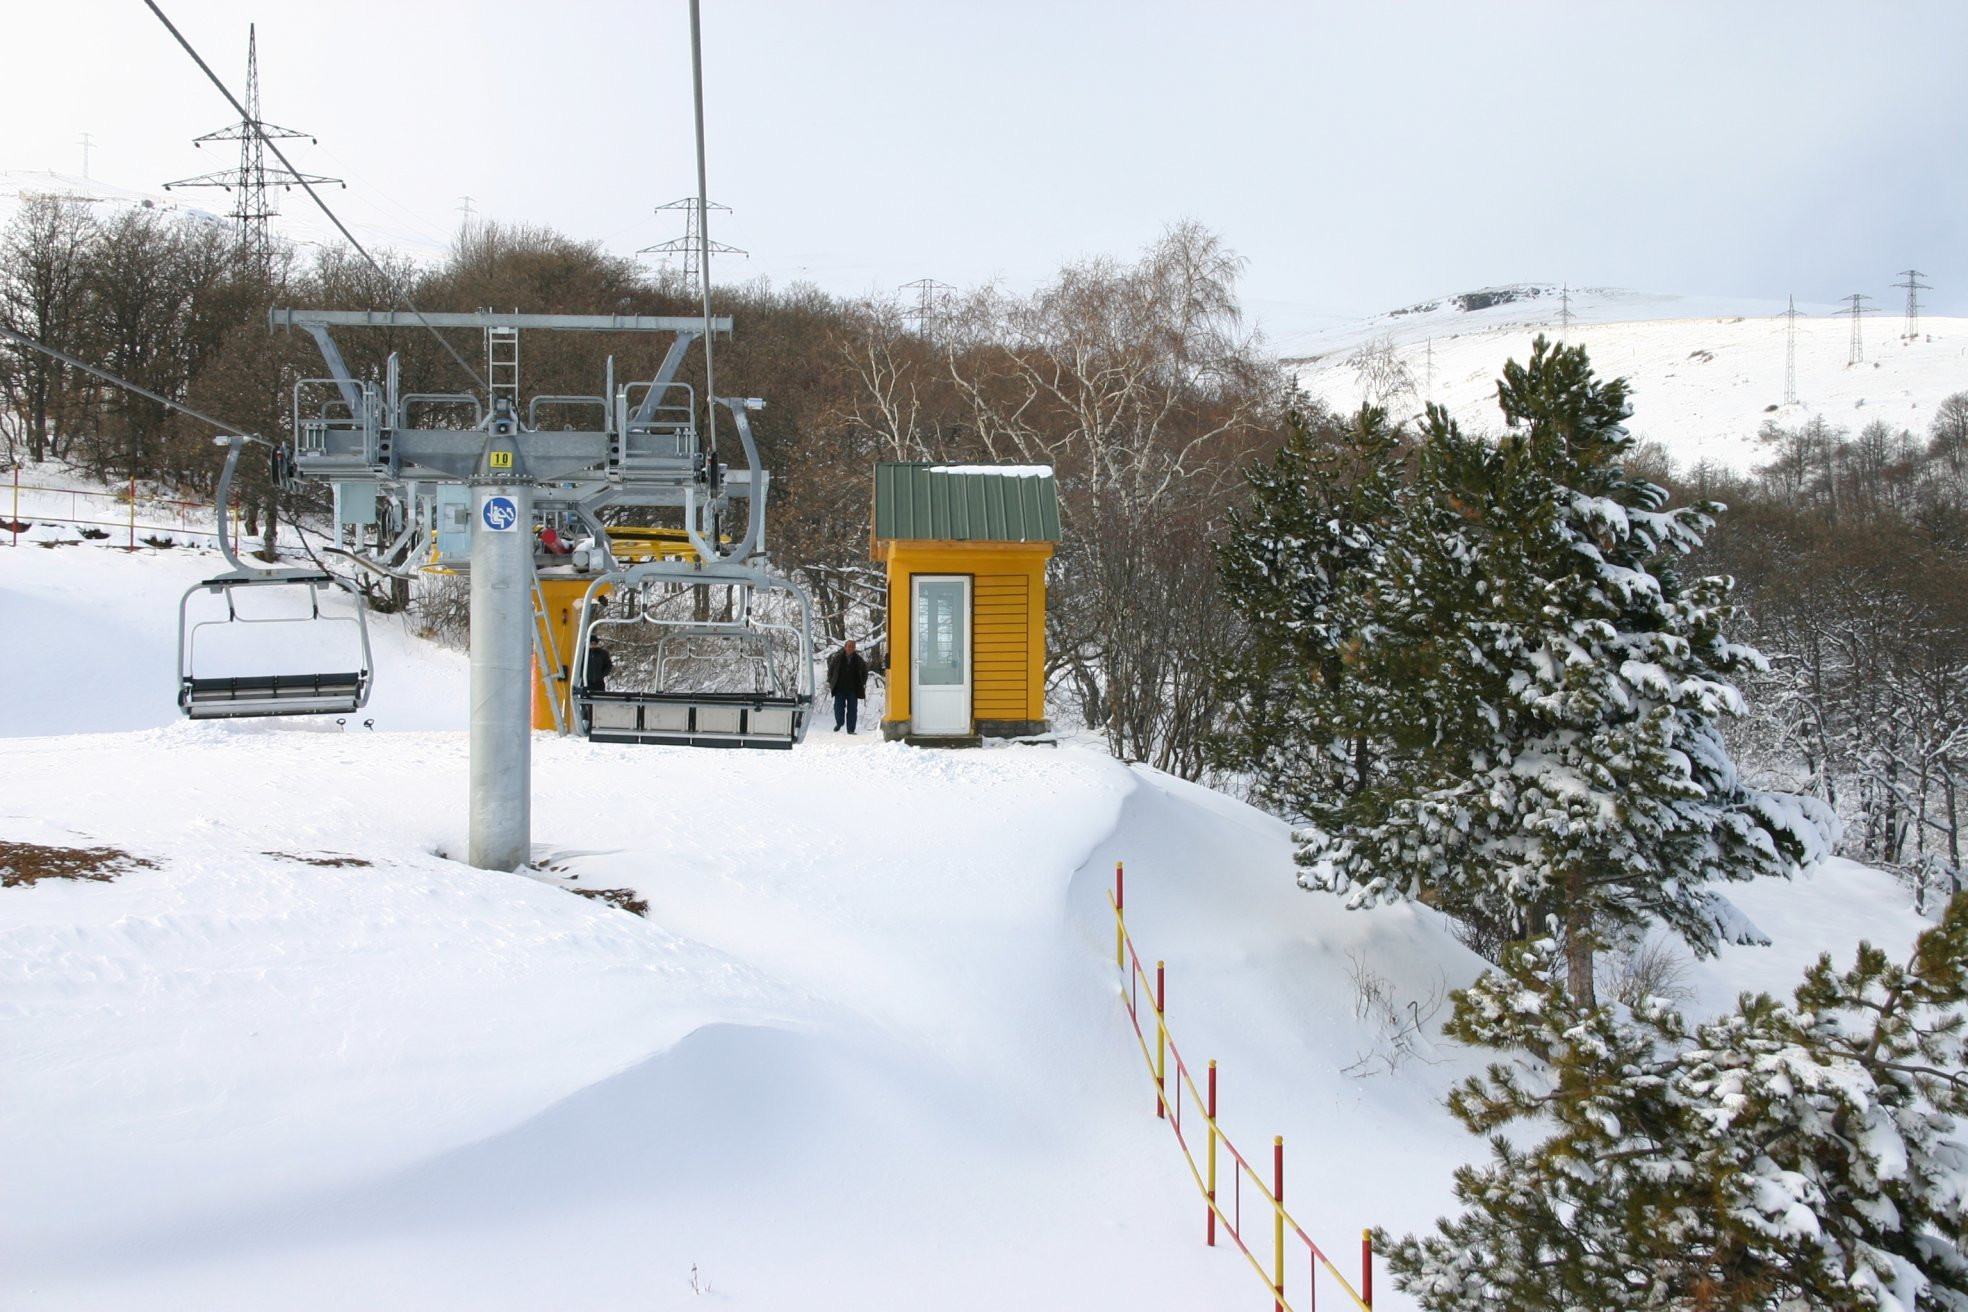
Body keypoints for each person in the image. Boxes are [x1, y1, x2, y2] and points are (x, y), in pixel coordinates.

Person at [827, 639, 869, 734]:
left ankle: (850, 730)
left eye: (852, 646)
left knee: (852, 710)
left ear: (854, 648)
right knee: (838, 708)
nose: (850, 648)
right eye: (848, 646)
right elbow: (830, 671)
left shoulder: (859, 660)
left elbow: (864, 673)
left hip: (853, 690)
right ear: (845, 647)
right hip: (839, 689)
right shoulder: (837, 658)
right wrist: (831, 682)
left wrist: (862, 683)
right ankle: (839, 723)